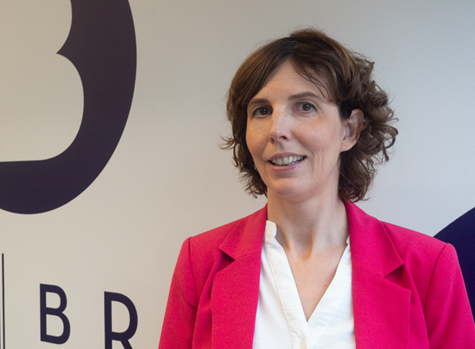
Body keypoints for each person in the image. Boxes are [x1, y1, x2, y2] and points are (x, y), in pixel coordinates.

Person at [159, 29, 475, 348]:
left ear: (349, 130)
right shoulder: (200, 261)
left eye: (305, 106)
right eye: (261, 110)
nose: (277, 130)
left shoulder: (428, 266)